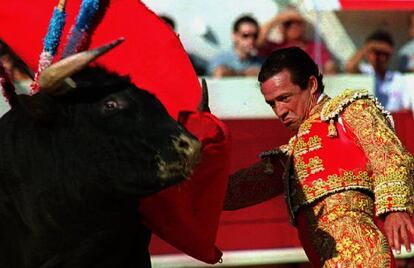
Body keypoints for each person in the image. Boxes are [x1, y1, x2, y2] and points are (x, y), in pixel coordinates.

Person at [225, 46, 414, 267]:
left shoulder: (349, 111)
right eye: (272, 103)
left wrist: (395, 208)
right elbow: (238, 191)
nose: (279, 111)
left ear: (312, 85)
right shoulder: (291, 156)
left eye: (284, 98)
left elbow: (388, 153)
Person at [256, 6, 337, 75]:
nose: (293, 26)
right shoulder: (274, 48)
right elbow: (258, 42)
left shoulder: (315, 47)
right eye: (288, 23)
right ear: (280, 28)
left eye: (297, 22)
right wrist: (280, 18)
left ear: (303, 25)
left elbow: (330, 68)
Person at [345, 30, 410, 112]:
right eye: (377, 53)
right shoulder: (364, 72)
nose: (382, 58)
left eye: (385, 54)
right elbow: (350, 67)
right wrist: (368, 47)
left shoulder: (398, 78)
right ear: (368, 53)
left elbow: (406, 108)